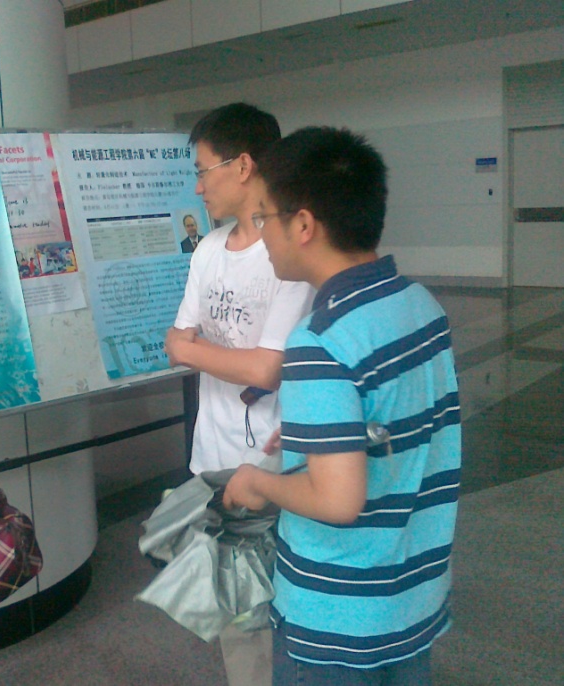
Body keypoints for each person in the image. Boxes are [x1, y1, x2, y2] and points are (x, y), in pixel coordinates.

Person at [223, 127, 461, 686]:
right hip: (412, 597)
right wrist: (317, 434)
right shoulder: (419, 304)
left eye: (264, 218)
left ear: (303, 225)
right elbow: (403, 422)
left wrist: (257, 482)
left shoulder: (319, 341)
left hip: (335, 617)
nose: (262, 234)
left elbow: (337, 500)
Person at [164, 103, 315, 686]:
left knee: (287, 605)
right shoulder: (207, 250)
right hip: (213, 456)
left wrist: (195, 352)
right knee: (238, 615)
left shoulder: (287, 253)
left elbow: (266, 368)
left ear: (244, 165)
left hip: (278, 463)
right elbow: (178, 341)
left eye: (204, 171)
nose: (198, 187)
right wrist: (210, 354)